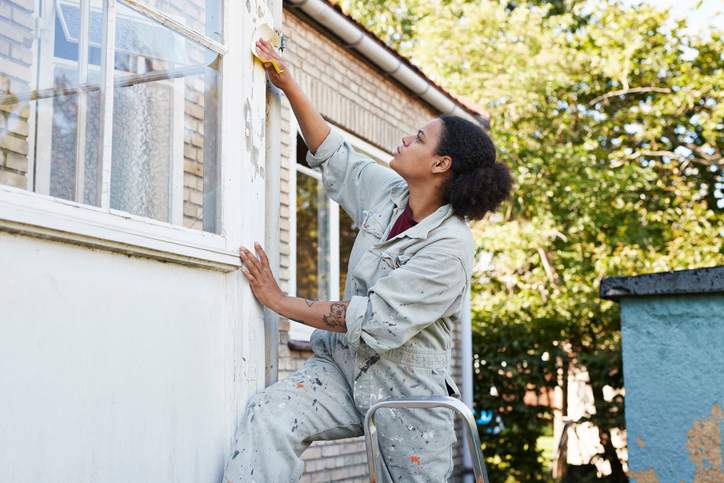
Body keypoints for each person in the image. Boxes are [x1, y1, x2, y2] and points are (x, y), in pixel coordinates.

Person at [223, 38, 513, 483]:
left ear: (440, 164)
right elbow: (334, 156)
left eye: (418, 138)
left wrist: (280, 302)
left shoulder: (451, 248)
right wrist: (287, 81)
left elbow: (372, 320)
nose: (405, 138)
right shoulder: (390, 195)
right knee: (269, 415)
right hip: (342, 370)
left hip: (407, 396)